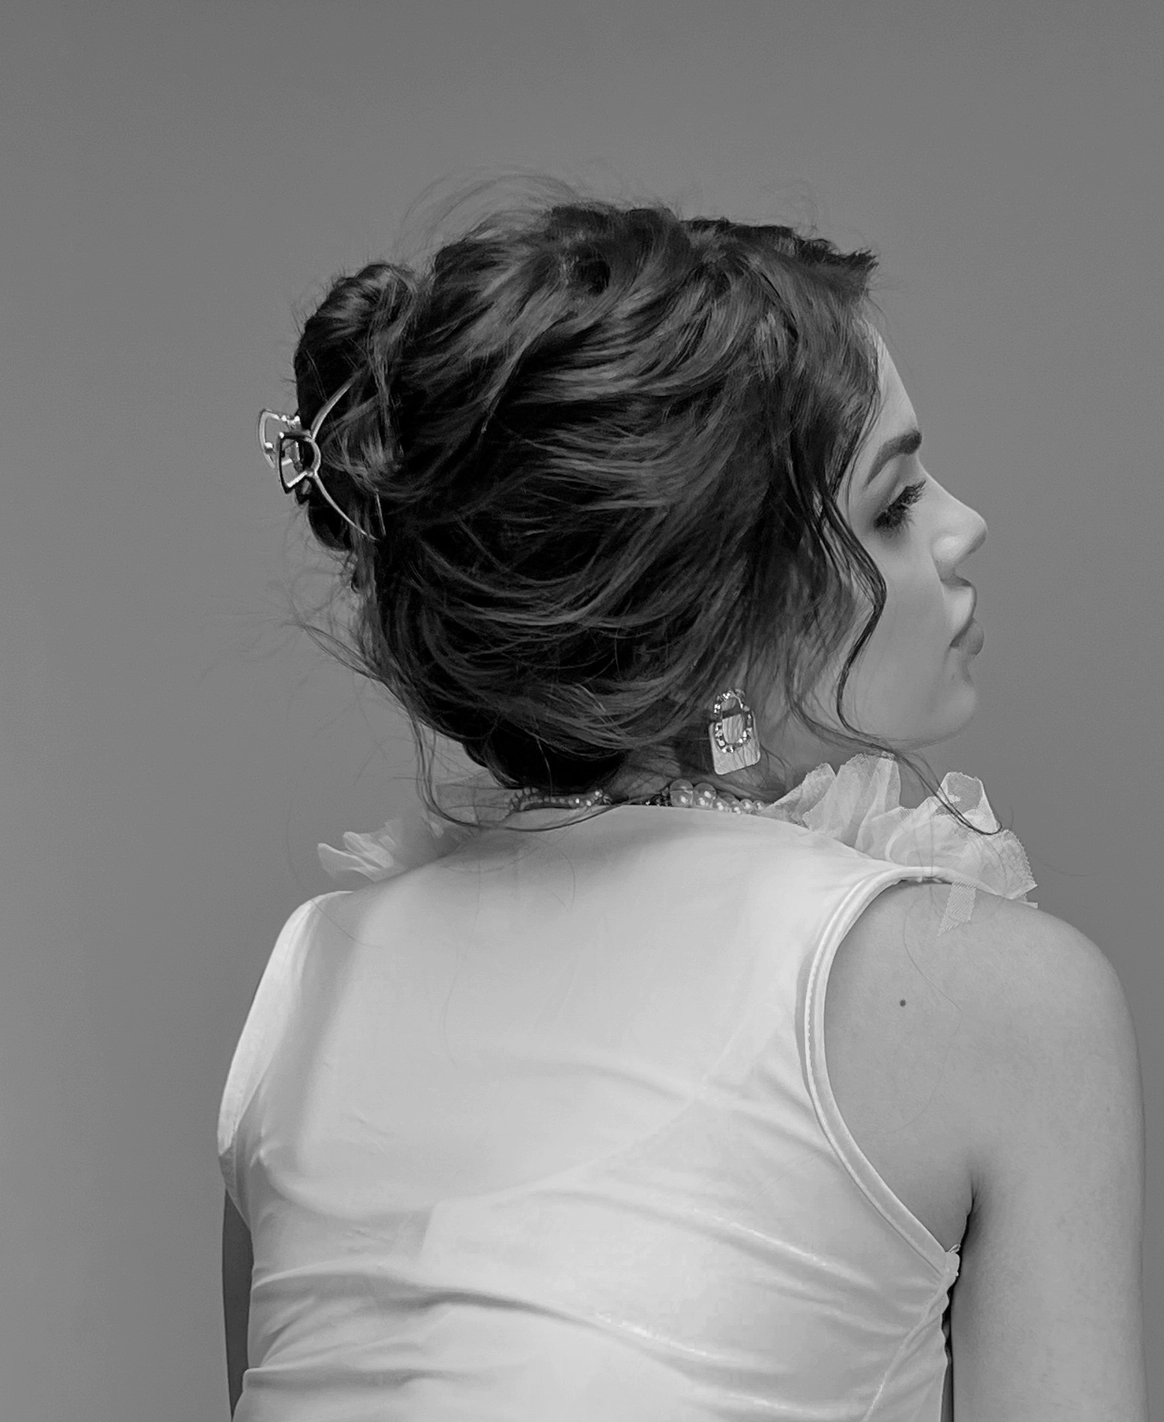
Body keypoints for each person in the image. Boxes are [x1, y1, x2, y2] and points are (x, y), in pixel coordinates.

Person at [220, 182, 1147, 1420]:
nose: (963, 527)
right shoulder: (994, 996)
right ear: (715, 614)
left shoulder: (312, 981)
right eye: (892, 502)